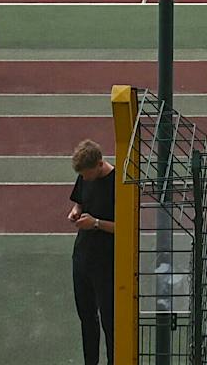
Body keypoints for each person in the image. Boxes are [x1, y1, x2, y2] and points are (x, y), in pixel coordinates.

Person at [67, 138, 117, 365]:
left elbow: (126, 228)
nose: (84, 179)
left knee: (110, 321)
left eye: (86, 174)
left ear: (99, 164)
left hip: (106, 262)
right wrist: (76, 211)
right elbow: (79, 201)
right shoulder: (85, 176)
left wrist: (96, 223)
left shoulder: (117, 184)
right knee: (86, 317)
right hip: (82, 257)